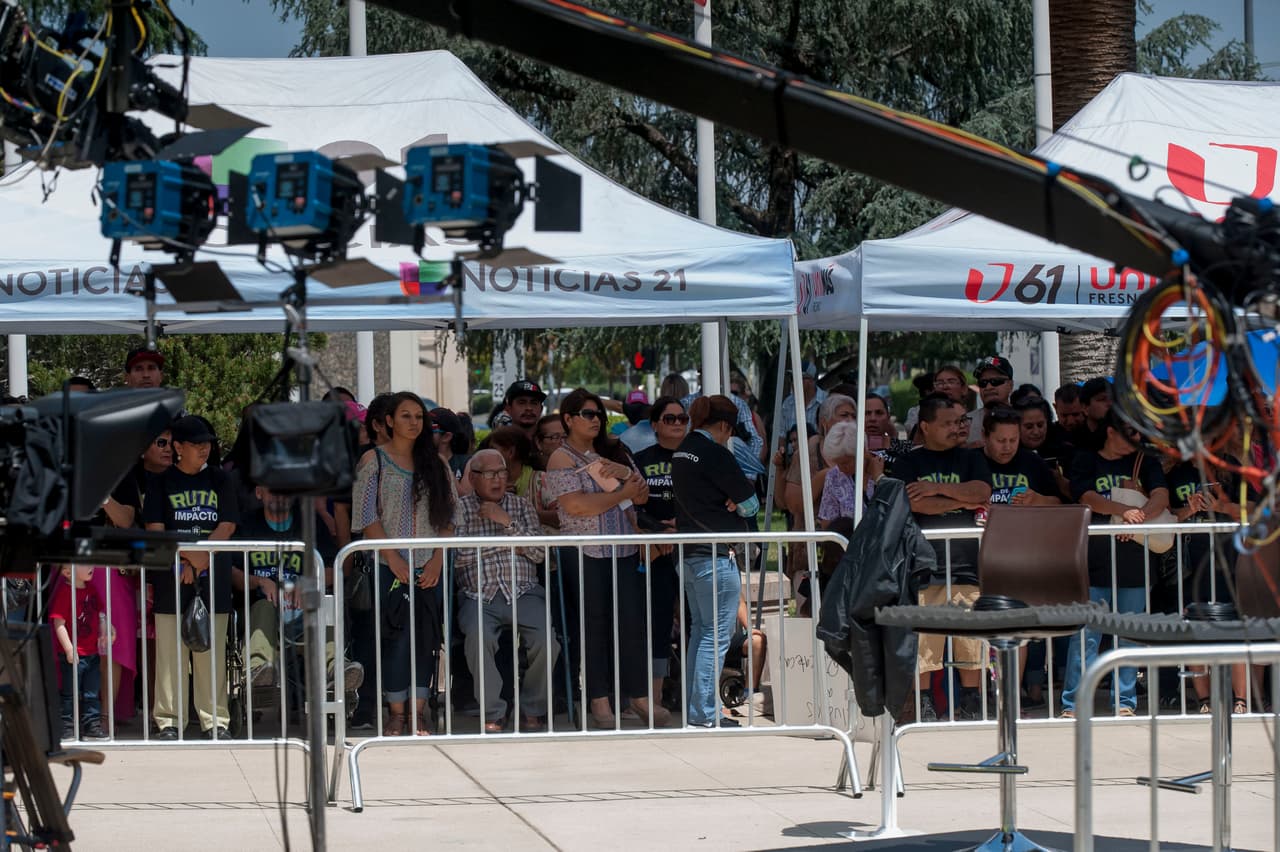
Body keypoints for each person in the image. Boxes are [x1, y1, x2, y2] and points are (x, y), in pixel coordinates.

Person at [543, 388, 658, 728]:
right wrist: (623, 493)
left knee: (631, 624)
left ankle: (638, 696)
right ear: (568, 419)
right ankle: (599, 700)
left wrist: (623, 474)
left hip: (622, 549)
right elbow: (575, 505)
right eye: (588, 414)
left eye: (598, 414)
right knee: (592, 626)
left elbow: (642, 493)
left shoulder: (614, 450)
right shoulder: (560, 458)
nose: (596, 420)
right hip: (584, 551)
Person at [351, 391, 457, 737]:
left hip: (429, 565)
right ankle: (396, 712)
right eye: (406, 416)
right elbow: (367, 516)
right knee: (395, 639)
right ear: (389, 421)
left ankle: (418, 712)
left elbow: (449, 517)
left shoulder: (436, 463)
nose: (414, 422)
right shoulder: (374, 461)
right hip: (388, 567)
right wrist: (392, 557)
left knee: (425, 638)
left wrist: (438, 559)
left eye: (419, 417)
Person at [1060, 410, 1169, 718]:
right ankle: (1074, 703)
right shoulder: (1086, 459)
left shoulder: (1145, 460)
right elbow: (1085, 496)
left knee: (1129, 634)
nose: (1137, 438)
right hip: (1093, 561)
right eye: (1131, 432)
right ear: (1111, 431)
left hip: (1135, 562)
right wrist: (1123, 511)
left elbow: (1162, 495)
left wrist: (1139, 517)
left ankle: (1125, 702)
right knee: (1086, 635)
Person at [891, 394, 992, 721]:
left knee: (970, 639)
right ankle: (925, 704)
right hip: (925, 564)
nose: (956, 428)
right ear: (925, 426)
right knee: (926, 641)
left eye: (959, 421)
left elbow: (981, 493)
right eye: (947, 423)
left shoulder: (971, 458)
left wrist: (936, 488)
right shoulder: (908, 462)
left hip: (966, 563)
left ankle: (972, 702)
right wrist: (961, 501)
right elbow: (915, 503)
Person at [143, 415, 239, 740]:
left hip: (213, 576)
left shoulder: (221, 479)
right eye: (197, 444)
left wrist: (200, 559)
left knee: (210, 651)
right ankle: (169, 721)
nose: (204, 449)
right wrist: (187, 558)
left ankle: (215, 721)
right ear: (178, 447)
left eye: (207, 443)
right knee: (170, 652)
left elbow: (227, 524)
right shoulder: (159, 482)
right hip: (171, 576)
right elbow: (155, 529)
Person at [452, 449, 558, 732]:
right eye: (489, 474)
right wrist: (510, 544)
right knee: (478, 638)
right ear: (473, 478)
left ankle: (532, 708)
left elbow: (539, 553)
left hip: (524, 591)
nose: (498, 479)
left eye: (501, 472)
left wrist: (507, 522)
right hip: (478, 594)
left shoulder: (521, 506)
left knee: (547, 642)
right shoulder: (460, 509)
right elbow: (459, 556)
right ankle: (493, 711)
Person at [672, 395, 759, 728]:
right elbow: (750, 504)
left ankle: (696, 711)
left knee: (700, 632)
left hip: (688, 554)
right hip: (716, 555)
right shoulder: (716, 454)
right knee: (715, 635)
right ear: (725, 426)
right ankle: (705, 714)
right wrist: (737, 503)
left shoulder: (682, 451)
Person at [230, 485, 362, 697]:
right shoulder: (247, 524)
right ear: (259, 492)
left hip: (304, 612)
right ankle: (258, 669)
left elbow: (334, 569)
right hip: (264, 613)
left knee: (323, 605)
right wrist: (260, 581)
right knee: (264, 606)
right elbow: (232, 574)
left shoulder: (311, 523)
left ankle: (337, 668)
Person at [632, 396, 687, 712]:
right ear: (655, 424)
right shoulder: (640, 460)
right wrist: (659, 531)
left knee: (695, 622)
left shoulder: (696, 457)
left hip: (692, 548)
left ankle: (694, 693)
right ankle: (654, 697)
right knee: (659, 623)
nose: (677, 423)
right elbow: (632, 507)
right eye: (670, 418)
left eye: (682, 418)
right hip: (656, 551)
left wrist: (683, 524)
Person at [50, 565, 110, 740]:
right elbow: (59, 624)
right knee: (69, 693)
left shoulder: (92, 589)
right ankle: (66, 727)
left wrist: (106, 630)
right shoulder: (65, 592)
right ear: (67, 572)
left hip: (92, 653)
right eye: (84, 564)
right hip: (73, 655)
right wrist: (69, 648)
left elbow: (100, 615)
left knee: (92, 692)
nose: (91, 567)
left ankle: (91, 726)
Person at [981, 406, 1061, 506]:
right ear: (984, 435)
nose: (1008, 447)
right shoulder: (971, 461)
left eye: (1013, 440)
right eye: (1001, 441)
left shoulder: (1033, 462)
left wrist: (1038, 500)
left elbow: (1058, 503)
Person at [817, 420, 884, 526]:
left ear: (862, 452)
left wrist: (879, 478)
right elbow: (827, 522)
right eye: (837, 463)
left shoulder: (885, 466)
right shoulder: (834, 476)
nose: (841, 469)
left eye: (845, 463)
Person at [863, 391, 912, 473]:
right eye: (866, 413)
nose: (873, 418)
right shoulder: (849, 450)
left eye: (879, 413)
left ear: (888, 417)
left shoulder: (906, 449)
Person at [485, 426, 538, 499]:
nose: (488, 453)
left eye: (493, 449)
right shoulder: (484, 480)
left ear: (511, 452)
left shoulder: (540, 481)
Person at [778, 360, 827, 438]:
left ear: (811, 380)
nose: (793, 382)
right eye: (792, 378)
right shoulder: (787, 403)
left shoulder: (827, 401)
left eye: (797, 378)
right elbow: (781, 436)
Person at [1071, 378, 1112, 452]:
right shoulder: (1074, 439)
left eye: (1112, 399)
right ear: (1085, 407)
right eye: (1102, 399)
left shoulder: (1122, 436)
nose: (1109, 404)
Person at [431, 407, 470, 483]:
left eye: (430, 428)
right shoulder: (418, 461)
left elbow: (465, 490)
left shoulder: (465, 463)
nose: (424, 433)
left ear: (446, 437)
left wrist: (444, 464)